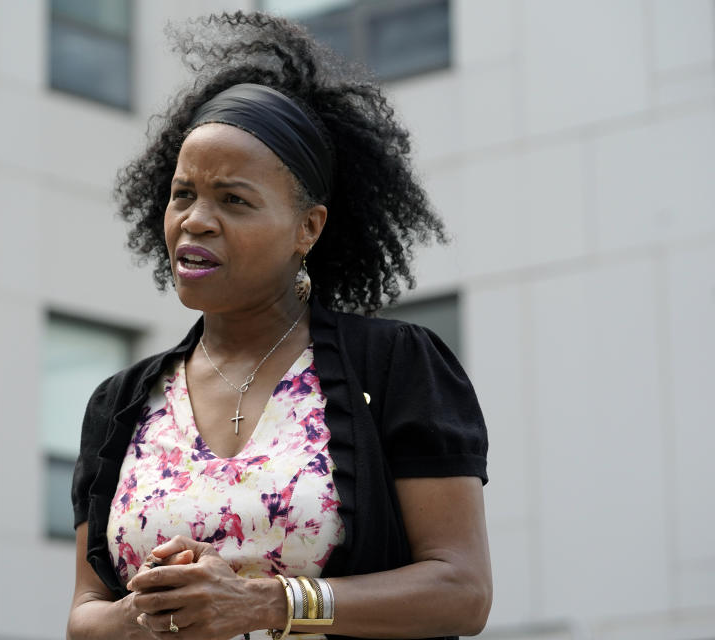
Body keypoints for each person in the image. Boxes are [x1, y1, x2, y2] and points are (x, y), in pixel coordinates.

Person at [67, 11, 491, 640]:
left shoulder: (396, 365)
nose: (196, 221)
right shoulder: (121, 403)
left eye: (233, 200)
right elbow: (84, 614)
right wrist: (143, 613)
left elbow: (461, 590)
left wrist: (269, 604)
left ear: (308, 229)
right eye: (183, 194)